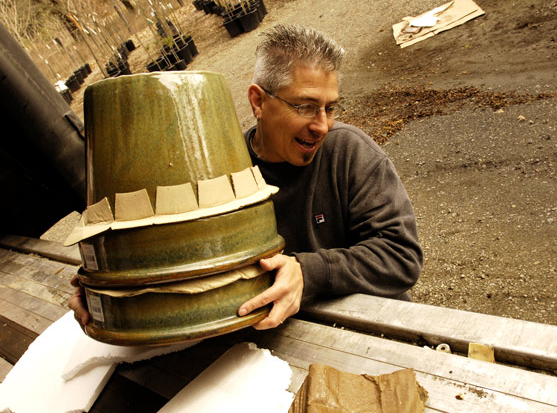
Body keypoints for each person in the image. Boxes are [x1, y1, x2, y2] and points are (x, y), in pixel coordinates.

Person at [69, 24, 423, 331]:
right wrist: (106, 292)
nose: (322, 125)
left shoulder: (350, 153)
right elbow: (182, 259)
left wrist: (308, 271)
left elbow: (401, 256)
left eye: (330, 107)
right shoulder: (224, 171)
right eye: (305, 106)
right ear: (258, 102)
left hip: (371, 328)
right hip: (278, 334)